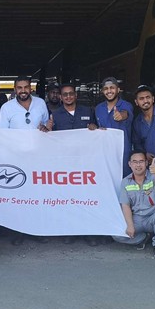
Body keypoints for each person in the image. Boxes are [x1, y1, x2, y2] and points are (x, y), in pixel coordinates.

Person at [0, 75, 52, 245]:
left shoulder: (40, 103)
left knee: (37, 194)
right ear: (15, 90)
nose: (23, 91)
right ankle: (18, 231)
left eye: (26, 87)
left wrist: (47, 127)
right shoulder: (7, 108)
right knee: (19, 196)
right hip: (17, 159)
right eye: (19, 88)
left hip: (38, 158)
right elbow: (2, 135)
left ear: (31, 88)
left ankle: (37, 230)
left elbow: (47, 126)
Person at [51, 82, 99, 246]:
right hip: (65, 164)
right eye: (65, 94)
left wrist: (94, 127)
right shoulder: (55, 115)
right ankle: (70, 231)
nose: (68, 97)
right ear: (60, 97)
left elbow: (98, 132)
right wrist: (46, 130)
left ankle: (88, 232)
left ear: (76, 95)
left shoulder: (87, 111)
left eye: (71, 93)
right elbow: (49, 139)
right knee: (68, 199)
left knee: (87, 198)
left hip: (86, 162)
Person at [113, 150, 155, 258]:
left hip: (153, 217)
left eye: (141, 161)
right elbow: (125, 205)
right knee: (116, 234)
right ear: (130, 164)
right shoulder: (125, 182)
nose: (138, 165)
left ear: (146, 163)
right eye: (135, 162)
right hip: (137, 218)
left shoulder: (153, 176)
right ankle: (143, 238)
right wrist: (130, 226)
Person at [95, 76, 134, 177]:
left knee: (124, 180)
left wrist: (121, 115)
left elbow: (126, 113)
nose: (109, 91)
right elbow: (95, 126)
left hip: (123, 154)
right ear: (102, 91)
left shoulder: (126, 105)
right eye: (106, 88)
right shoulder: (98, 108)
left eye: (112, 88)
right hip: (104, 154)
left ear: (118, 89)